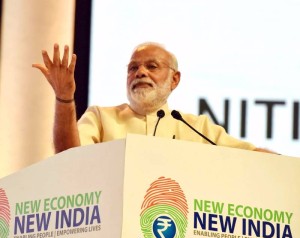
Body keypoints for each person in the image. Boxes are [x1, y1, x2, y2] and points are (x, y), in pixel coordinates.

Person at [32, 42, 273, 154]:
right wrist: (64, 98)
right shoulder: (100, 117)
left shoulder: (197, 128)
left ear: (175, 79)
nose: (140, 72)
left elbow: (252, 156)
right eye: (133, 68)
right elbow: (67, 157)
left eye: (152, 66)